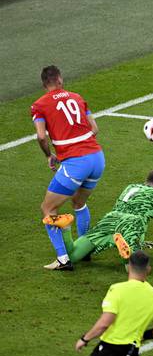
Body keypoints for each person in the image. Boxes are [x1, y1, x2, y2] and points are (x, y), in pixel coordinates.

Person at [31, 65, 105, 270]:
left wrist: (50, 156)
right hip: (97, 158)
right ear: (60, 79)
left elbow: (41, 136)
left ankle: (63, 259)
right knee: (78, 202)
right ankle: (85, 248)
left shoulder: (39, 105)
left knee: (48, 208)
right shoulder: (77, 97)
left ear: (44, 83)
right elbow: (94, 128)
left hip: (76, 163)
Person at [61, 170, 153, 266]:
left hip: (110, 218)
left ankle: (65, 228)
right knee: (135, 268)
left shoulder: (130, 187)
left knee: (72, 257)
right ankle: (125, 255)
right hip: (132, 223)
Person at [75, 250, 153, 356]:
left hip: (110, 349)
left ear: (129, 267)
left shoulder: (117, 289)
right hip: (131, 352)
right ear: (148, 269)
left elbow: (104, 323)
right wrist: (143, 335)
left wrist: (85, 339)